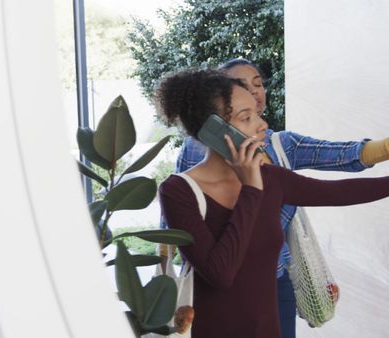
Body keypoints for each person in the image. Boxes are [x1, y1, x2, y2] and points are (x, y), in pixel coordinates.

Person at [163, 58, 389, 338]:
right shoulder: (178, 191)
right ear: (214, 130)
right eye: (246, 118)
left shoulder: (271, 177)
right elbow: (221, 273)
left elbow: (340, 192)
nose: (262, 125)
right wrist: (251, 190)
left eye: (256, 113)